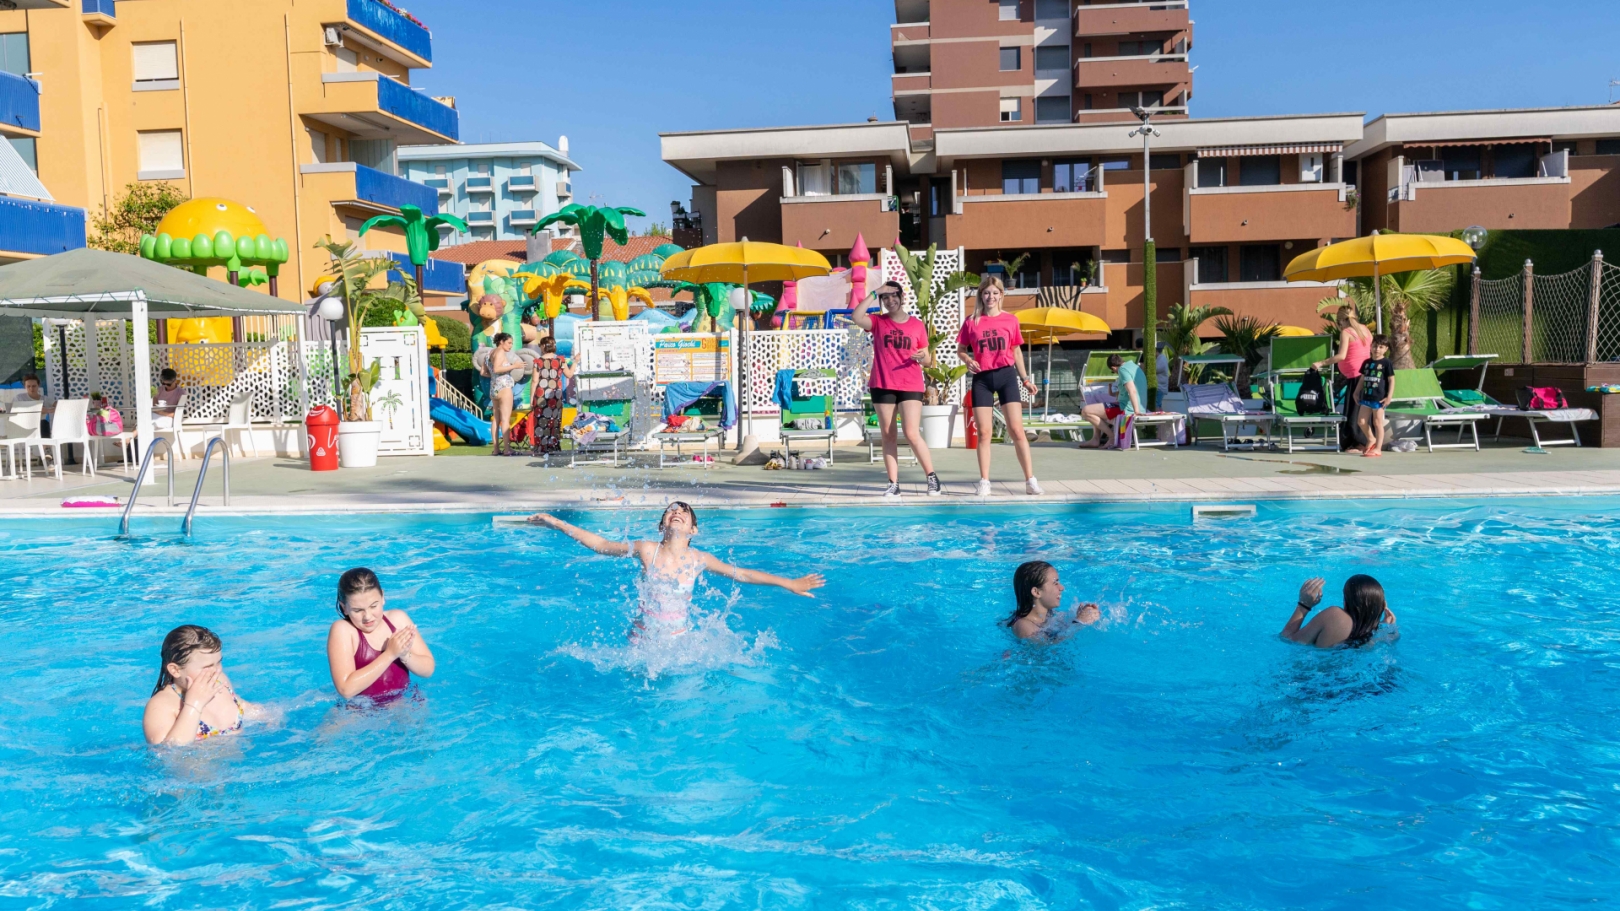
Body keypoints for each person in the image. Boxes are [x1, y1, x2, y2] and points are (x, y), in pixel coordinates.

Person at [527, 503, 825, 638]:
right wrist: (558, 523)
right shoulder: (647, 549)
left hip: (678, 641)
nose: (677, 512)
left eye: (684, 512)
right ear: (662, 525)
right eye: (671, 510)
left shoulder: (700, 559)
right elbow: (601, 544)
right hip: (641, 640)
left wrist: (789, 583)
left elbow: (743, 574)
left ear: (693, 529)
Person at [851, 280, 942, 499]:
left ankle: (931, 477)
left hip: (910, 383)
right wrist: (876, 292)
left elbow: (929, 361)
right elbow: (856, 316)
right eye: (886, 297)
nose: (890, 300)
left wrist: (923, 357)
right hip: (882, 383)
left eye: (894, 296)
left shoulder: (917, 325)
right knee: (888, 434)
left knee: (911, 433)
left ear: (902, 297)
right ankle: (893, 483)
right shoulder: (878, 322)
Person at [956, 275, 1041, 496]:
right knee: (984, 433)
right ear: (981, 296)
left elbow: (1016, 351)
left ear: (1001, 295)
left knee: (1017, 431)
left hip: (1006, 376)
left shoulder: (1010, 320)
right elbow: (961, 350)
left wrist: (1025, 379)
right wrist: (968, 361)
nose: (990, 296)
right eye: (986, 293)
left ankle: (1030, 480)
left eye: (995, 293)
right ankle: (984, 481)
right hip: (982, 379)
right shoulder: (971, 321)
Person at [326, 568, 436, 701]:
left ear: (383, 597)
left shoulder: (397, 620)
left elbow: (428, 669)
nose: (367, 617)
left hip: (403, 702)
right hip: (359, 711)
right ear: (345, 608)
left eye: (373, 606)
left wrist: (405, 655)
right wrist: (390, 654)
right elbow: (346, 689)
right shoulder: (343, 630)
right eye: (358, 610)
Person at [142, 625, 260, 745]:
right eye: (207, 667)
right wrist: (194, 704)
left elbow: (243, 707)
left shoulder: (219, 681)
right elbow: (167, 753)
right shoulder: (161, 706)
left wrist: (269, 717)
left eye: (218, 662)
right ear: (175, 670)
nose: (217, 671)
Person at [1314, 304, 1373, 450]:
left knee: (1352, 410)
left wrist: (1321, 362)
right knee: (1362, 409)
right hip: (1366, 374)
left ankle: (1355, 443)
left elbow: (1341, 355)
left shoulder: (1346, 332)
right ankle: (1363, 441)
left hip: (1355, 374)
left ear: (1340, 321)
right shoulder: (1365, 329)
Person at [1280, 575, 1397, 648]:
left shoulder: (1336, 616)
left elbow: (1287, 640)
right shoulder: (1383, 635)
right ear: (1382, 606)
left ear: (1347, 601)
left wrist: (1304, 605)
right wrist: (1384, 625)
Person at [1005, 561, 1101, 641]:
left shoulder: (1050, 615)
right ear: (1036, 592)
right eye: (1055, 583)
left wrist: (1079, 616)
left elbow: (1060, 633)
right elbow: (1046, 648)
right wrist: (1079, 622)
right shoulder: (1023, 625)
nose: (1062, 588)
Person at [1078, 354, 1145, 449]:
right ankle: (1095, 439)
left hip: (1126, 409)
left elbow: (1132, 390)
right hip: (1137, 406)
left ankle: (1112, 437)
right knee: (1095, 409)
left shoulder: (1122, 370)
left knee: (1085, 411)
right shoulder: (1134, 366)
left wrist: (1136, 411)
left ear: (1114, 367)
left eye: (1113, 372)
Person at [527, 335, 573, 456]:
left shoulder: (538, 361)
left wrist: (531, 398)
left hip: (541, 394)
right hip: (555, 395)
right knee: (555, 420)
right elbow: (569, 375)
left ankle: (541, 447)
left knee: (541, 420)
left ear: (543, 346)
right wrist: (576, 362)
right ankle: (554, 445)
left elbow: (534, 381)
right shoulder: (561, 360)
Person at [1353, 334, 1394, 457]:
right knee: (1361, 421)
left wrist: (1389, 396)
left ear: (1386, 349)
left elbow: (1391, 380)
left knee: (1377, 422)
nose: (1377, 349)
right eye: (1375, 346)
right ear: (1371, 347)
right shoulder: (1366, 363)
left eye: (1381, 347)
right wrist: (1356, 392)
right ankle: (1371, 438)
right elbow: (1362, 379)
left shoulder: (1386, 363)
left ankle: (1378, 448)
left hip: (1379, 398)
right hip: (1366, 397)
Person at [487, 333, 526, 456]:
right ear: (501, 342)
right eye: (509, 342)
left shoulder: (489, 353)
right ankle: (507, 449)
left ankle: (496, 449)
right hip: (504, 387)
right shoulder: (499, 352)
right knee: (505, 419)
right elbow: (497, 369)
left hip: (494, 387)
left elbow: (484, 372)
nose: (511, 345)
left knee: (496, 419)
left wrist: (496, 377)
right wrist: (514, 366)